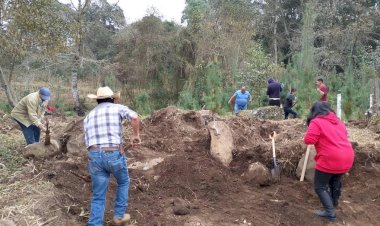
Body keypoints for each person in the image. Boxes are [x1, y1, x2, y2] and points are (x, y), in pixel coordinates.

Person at [84, 86, 141, 226]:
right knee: (123, 182)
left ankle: (95, 224)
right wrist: (135, 135)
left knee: (98, 195)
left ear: (97, 100)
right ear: (113, 99)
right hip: (113, 153)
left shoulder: (88, 116)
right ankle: (119, 216)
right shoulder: (117, 108)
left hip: (94, 155)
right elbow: (134, 117)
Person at [304, 102, 354, 221]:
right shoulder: (339, 122)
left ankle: (329, 212)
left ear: (314, 112)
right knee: (335, 180)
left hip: (330, 158)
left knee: (319, 186)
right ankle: (333, 203)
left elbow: (309, 140)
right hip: (347, 156)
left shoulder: (316, 121)